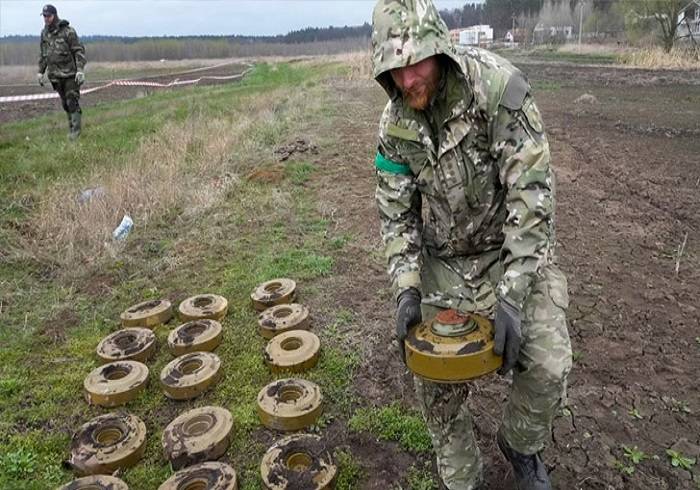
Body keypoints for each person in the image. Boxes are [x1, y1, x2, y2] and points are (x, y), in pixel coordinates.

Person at [371, 1, 572, 489]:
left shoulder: (499, 90)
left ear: (439, 48)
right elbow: (396, 216)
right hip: (443, 266)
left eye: (415, 61)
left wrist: (512, 293)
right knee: (433, 380)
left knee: (547, 364)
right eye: (394, 68)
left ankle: (520, 446)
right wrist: (406, 289)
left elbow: (533, 198)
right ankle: (463, 477)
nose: (408, 78)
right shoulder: (394, 125)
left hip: (511, 252)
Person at [37, 4, 86, 140]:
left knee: (72, 101)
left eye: (48, 16)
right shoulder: (44, 33)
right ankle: (71, 128)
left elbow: (79, 51)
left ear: (54, 15)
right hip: (55, 76)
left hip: (70, 75)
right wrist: (41, 71)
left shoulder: (68, 31)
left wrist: (80, 70)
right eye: (44, 16)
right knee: (65, 103)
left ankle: (75, 134)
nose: (46, 19)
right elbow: (43, 54)